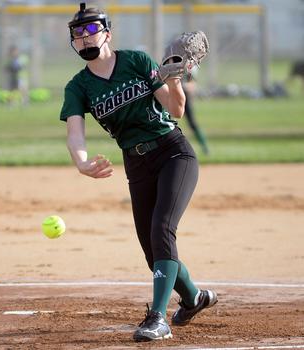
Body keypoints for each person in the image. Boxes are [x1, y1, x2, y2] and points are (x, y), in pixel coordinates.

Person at [60, 3, 218, 342]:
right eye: (78, 31)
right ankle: (194, 298)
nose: (85, 37)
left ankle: (157, 319)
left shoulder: (136, 61)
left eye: (91, 29)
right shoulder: (78, 87)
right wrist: (82, 162)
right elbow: (76, 133)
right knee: (152, 251)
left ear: (107, 33)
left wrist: (174, 78)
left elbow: (174, 109)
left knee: (163, 229)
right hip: (136, 164)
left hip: (173, 152)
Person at [182, 70, 209, 155]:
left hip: (185, 99)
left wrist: (180, 86)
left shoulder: (189, 67)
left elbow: (192, 85)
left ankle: (205, 147)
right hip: (172, 97)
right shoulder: (170, 61)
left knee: (193, 124)